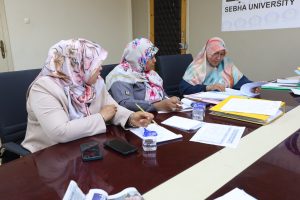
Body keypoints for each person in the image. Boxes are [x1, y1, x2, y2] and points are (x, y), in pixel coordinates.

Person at [21, 39, 154, 153]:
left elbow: (111, 107)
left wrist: (130, 117)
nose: (101, 68)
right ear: (76, 64)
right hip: (50, 154)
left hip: (86, 147)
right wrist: (101, 117)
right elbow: (59, 132)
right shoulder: (43, 88)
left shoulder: (94, 82)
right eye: (96, 64)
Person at [105, 38, 181, 112]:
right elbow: (125, 103)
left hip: (155, 115)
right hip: (136, 120)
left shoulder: (150, 73)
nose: (155, 60)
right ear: (139, 58)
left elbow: (161, 94)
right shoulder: (120, 75)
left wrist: (170, 100)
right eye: (151, 57)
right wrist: (156, 106)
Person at [179, 37, 253, 95]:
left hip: (225, 103)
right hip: (203, 107)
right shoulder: (197, 67)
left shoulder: (226, 64)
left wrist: (252, 87)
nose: (219, 58)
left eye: (222, 54)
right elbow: (184, 89)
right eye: (215, 53)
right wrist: (207, 87)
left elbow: (241, 82)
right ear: (208, 52)